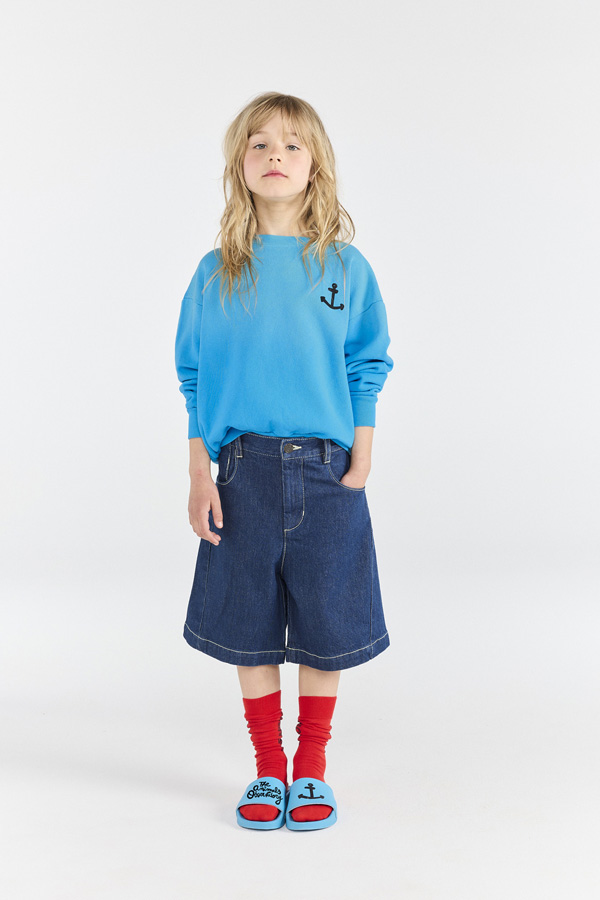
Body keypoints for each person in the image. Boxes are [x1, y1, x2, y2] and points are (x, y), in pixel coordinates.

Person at [174, 91, 394, 831]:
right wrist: (200, 471)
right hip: (241, 469)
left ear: (315, 165)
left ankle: (313, 768)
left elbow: (366, 360)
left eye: (293, 145)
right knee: (250, 621)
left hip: (328, 469)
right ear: (239, 164)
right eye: (260, 143)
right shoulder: (216, 272)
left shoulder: (342, 268)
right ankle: (270, 768)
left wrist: (362, 450)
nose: (276, 155)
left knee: (328, 620)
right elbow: (195, 377)